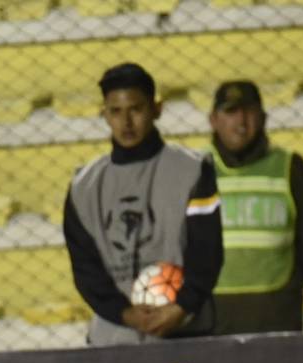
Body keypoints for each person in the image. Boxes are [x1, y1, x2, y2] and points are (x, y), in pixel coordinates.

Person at [63, 62, 223, 345]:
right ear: (104, 114)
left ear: (156, 109)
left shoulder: (193, 170)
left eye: (135, 109)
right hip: (113, 338)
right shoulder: (83, 187)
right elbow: (86, 269)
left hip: (186, 332)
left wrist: (181, 308)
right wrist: (126, 314)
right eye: (115, 111)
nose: (126, 122)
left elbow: (207, 251)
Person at [207, 80, 303, 334]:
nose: (241, 122)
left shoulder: (290, 167)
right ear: (213, 120)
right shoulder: (195, 169)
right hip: (211, 318)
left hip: (275, 316)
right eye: (231, 112)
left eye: (249, 112)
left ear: (263, 118)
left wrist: (288, 286)